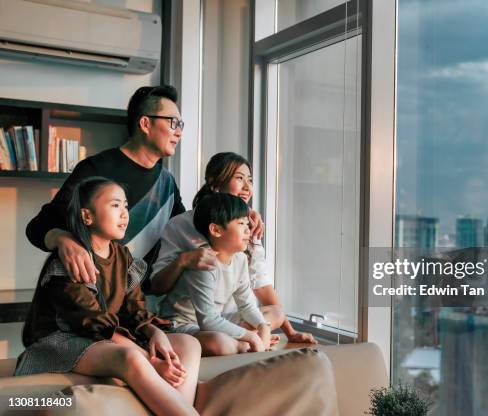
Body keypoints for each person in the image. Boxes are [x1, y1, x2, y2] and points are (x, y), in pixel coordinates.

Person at [16, 177, 201, 416]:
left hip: (102, 339)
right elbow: (88, 320)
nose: (124, 213)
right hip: (64, 340)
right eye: (115, 205)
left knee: (188, 343)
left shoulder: (122, 256)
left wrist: (155, 333)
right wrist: (151, 362)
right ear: (87, 216)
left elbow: (133, 308)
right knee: (132, 357)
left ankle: (176, 408)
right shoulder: (72, 260)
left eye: (125, 206)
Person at [25, 85, 221, 288]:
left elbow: (189, 229)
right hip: (91, 297)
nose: (179, 132)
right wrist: (62, 238)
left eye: (181, 124)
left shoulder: (167, 183)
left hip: (137, 301)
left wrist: (241, 215)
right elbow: (38, 226)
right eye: (173, 122)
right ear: (145, 124)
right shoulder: (97, 168)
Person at [150, 152, 316, 350]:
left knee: (276, 313)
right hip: (191, 320)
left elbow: (260, 286)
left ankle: (242, 339)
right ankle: (243, 341)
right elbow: (157, 286)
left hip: (226, 319)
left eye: (250, 180)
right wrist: (183, 261)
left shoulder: (249, 230)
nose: (247, 188)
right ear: (214, 183)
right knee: (218, 340)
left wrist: (290, 332)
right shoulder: (181, 225)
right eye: (239, 178)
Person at [158, 192, 275, 355]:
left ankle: (239, 342)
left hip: (215, 321)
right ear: (216, 230)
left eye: (248, 224)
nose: (248, 230)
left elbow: (246, 304)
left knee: (274, 314)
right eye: (241, 223)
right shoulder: (204, 262)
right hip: (183, 325)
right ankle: (240, 345)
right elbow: (207, 320)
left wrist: (263, 327)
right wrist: (252, 337)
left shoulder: (240, 259)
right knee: (219, 343)